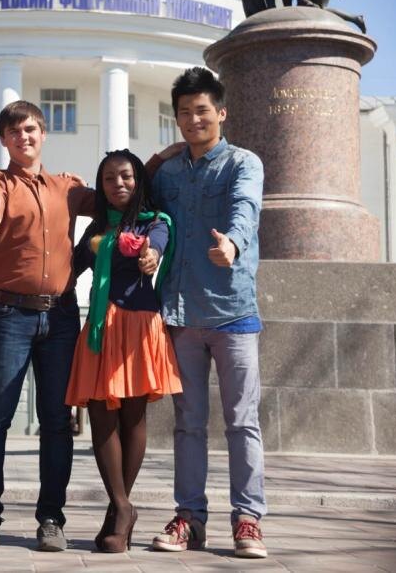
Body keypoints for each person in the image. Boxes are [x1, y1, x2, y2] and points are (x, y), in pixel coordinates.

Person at [147, 67, 268, 559]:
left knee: (242, 421)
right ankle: (190, 519)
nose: (193, 119)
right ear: (176, 119)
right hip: (181, 315)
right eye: (184, 112)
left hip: (232, 311)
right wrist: (158, 158)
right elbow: (135, 201)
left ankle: (248, 520)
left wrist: (233, 244)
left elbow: (246, 209)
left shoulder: (244, 162)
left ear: (221, 112)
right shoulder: (169, 173)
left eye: (202, 111)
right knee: (188, 423)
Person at [0, 99, 94, 552]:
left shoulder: (69, 188)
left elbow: (118, 198)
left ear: (43, 134)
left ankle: (51, 520)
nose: (24, 137)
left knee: (57, 422)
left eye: (31, 129)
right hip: (10, 317)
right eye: (15, 131)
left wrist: (157, 162)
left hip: (61, 317)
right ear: (4, 139)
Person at [65, 149, 182, 553]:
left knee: (133, 417)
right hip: (101, 327)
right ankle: (122, 506)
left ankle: (117, 513)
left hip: (137, 327)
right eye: (109, 178)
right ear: (101, 186)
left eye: (126, 176)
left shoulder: (155, 222)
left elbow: (157, 247)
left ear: (138, 181)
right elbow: (68, 269)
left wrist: (150, 255)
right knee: (101, 418)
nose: (118, 184)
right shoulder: (96, 229)